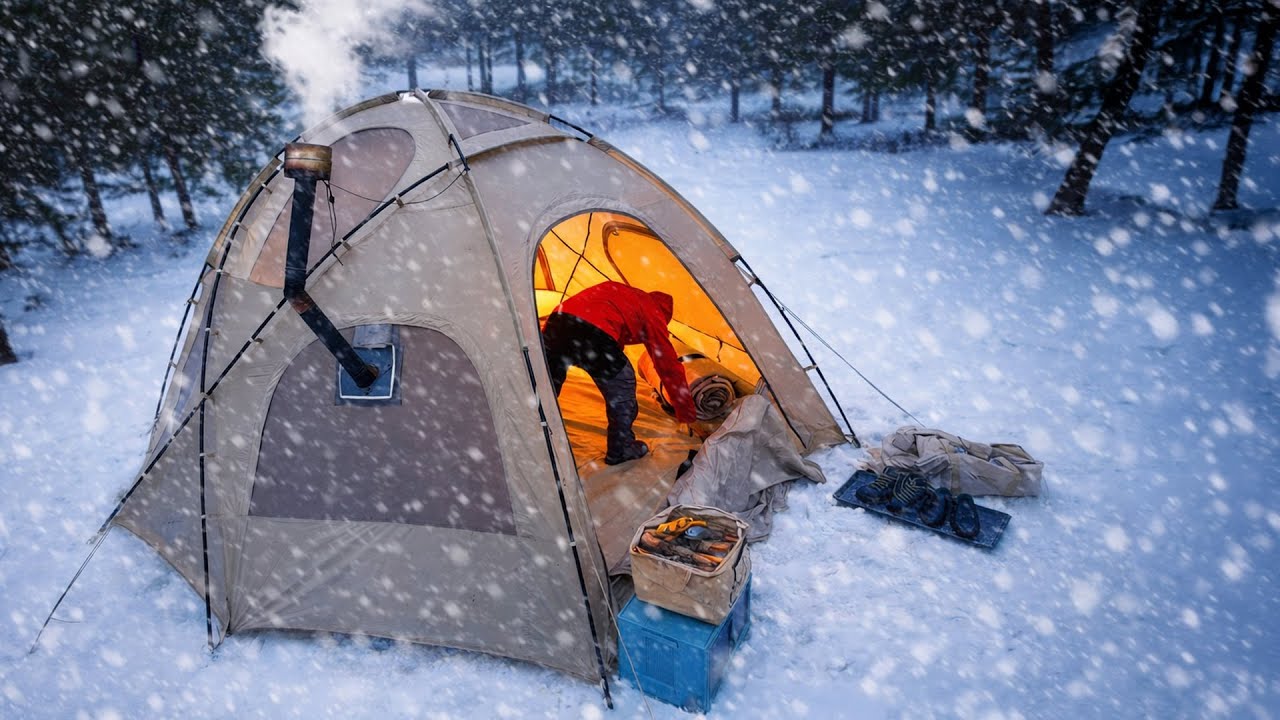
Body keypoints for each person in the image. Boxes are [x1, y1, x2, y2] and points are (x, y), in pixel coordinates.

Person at [541, 281, 697, 465]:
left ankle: (530, 431)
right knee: (623, 383)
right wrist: (686, 411)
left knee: (546, 387)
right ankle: (621, 448)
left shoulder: (626, 296)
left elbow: (615, 333)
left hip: (556, 323)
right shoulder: (653, 311)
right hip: (591, 332)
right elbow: (668, 364)